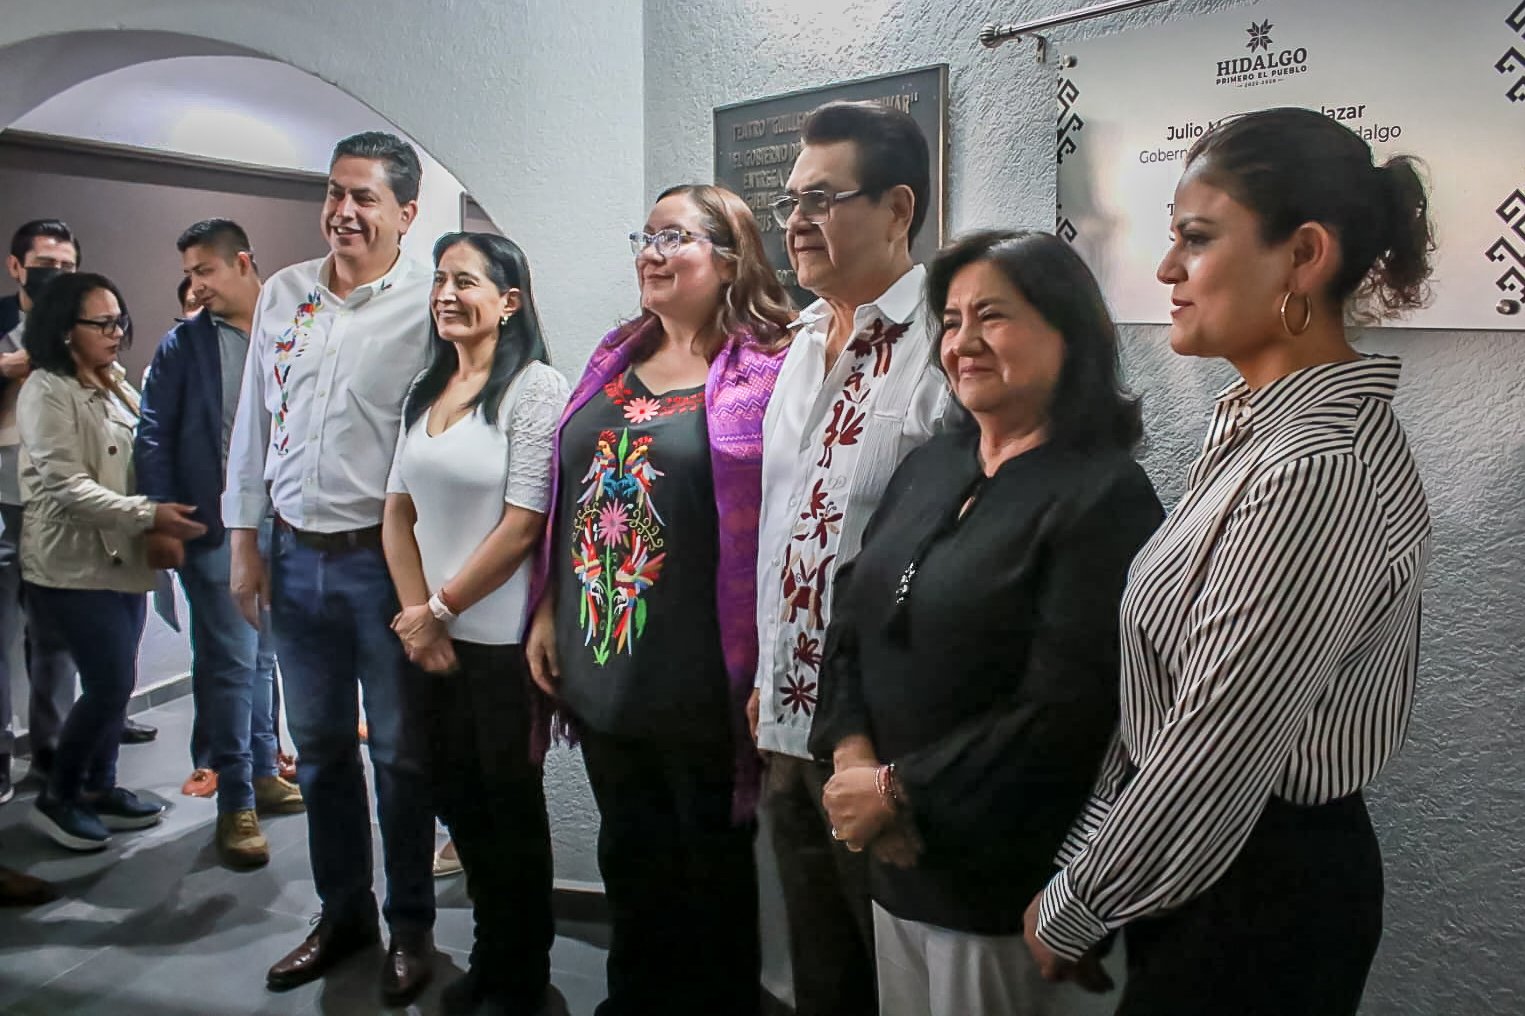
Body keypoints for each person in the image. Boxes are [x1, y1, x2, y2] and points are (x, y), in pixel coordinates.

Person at [1025, 107, 1435, 1016]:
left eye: (1197, 238)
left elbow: (1213, 744)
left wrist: (1076, 905)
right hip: (1207, 869)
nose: (1166, 268)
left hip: (1256, 896)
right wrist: (1091, 869)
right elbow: (1165, 709)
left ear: (1303, 256)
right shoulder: (1261, 434)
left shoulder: (1312, 466)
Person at [808, 229, 1162, 1015]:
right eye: (951, 320)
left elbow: (1067, 708)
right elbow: (851, 613)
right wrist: (853, 760)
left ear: (1069, 331)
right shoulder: (930, 464)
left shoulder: (1104, 495)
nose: (962, 341)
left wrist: (898, 791)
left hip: (1003, 882)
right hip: (893, 858)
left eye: (991, 316)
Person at [525, 183, 793, 1016]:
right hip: (602, 663)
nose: (650, 252)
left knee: (709, 872)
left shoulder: (770, 370)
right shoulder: (614, 357)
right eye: (645, 236)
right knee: (630, 859)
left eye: (673, 237)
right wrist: (546, 611)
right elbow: (566, 501)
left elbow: (785, 526)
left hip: (702, 674)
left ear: (730, 258)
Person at [224, 131, 437, 1003]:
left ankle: (411, 927)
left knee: (400, 755)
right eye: (335, 193)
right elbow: (254, 423)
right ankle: (344, 911)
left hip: (380, 565)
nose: (343, 212)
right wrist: (243, 541)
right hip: (291, 552)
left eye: (364, 198)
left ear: (405, 213)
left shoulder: (429, 301)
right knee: (316, 751)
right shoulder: (284, 293)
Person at [749, 99, 950, 1016]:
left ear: (897, 209)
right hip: (788, 722)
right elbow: (784, 530)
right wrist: (767, 672)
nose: (795, 222)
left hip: (886, 740)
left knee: (898, 977)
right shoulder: (798, 344)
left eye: (821, 200)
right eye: (790, 201)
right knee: (819, 968)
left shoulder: (945, 345)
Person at [383, 231, 568, 1016]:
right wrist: (417, 618)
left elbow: (524, 523)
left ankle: (520, 975)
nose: (446, 295)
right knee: (455, 799)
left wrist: (438, 610)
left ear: (509, 300)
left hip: (498, 644)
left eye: (465, 281)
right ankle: (491, 955)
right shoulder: (425, 389)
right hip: (429, 642)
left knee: (507, 810)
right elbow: (396, 512)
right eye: (440, 280)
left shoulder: (535, 388)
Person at [17, 272, 207, 851]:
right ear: (64, 330)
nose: (116, 332)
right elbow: (67, 486)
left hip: (121, 560)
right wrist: (150, 514)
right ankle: (58, 795)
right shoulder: (46, 391)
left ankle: (100, 787)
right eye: (101, 323)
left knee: (115, 684)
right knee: (109, 684)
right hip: (72, 566)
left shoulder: (114, 382)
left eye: (118, 320)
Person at [135, 218, 303, 870]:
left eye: (204, 271)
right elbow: (154, 431)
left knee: (262, 659)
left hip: (286, 524)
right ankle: (235, 800)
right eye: (190, 274)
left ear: (242, 262)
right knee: (230, 664)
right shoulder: (185, 345)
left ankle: (262, 770)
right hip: (214, 526)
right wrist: (160, 514)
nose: (196, 285)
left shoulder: (291, 328)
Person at [1, 219, 85, 798]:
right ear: (17, 267)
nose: (56, 275)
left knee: (55, 638)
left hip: (57, 505)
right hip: (2, 500)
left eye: (66, 266)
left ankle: (53, 751)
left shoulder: (80, 327)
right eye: (45, 265)